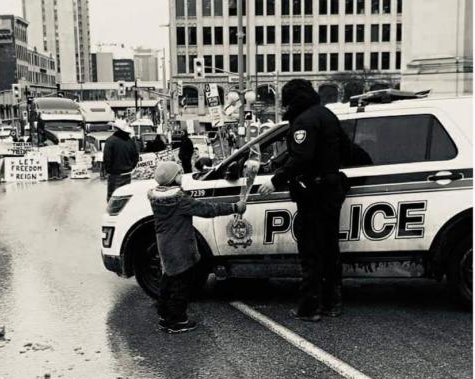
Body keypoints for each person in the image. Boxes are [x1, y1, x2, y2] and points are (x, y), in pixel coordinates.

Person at [259, 79, 350, 322]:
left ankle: (310, 308)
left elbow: (301, 157)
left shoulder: (304, 120)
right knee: (330, 249)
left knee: (310, 251)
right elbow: (345, 148)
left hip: (313, 193)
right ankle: (333, 303)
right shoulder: (327, 115)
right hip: (332, 189)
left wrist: (274, 180)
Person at [148, 160, 246, 334]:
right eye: (178, 174)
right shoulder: (179, 200)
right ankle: (178, 321)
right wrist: (234, 207)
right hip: (180, 248)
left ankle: (164, 316)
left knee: (167, 281)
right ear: (172, 178)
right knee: (181, 285)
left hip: (164, 246)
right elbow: (207, 209)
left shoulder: (157, 198)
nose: (182, 176)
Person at [103, 119, 139, 202]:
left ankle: (113, 214)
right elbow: (136, 157)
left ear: (116, 129)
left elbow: (107, 158)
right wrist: (131, 167)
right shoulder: (130, 141)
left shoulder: (110, 141)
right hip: (127, 174)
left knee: (113, 198)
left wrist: (108, 170)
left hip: (115, 174)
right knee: (125, 198)